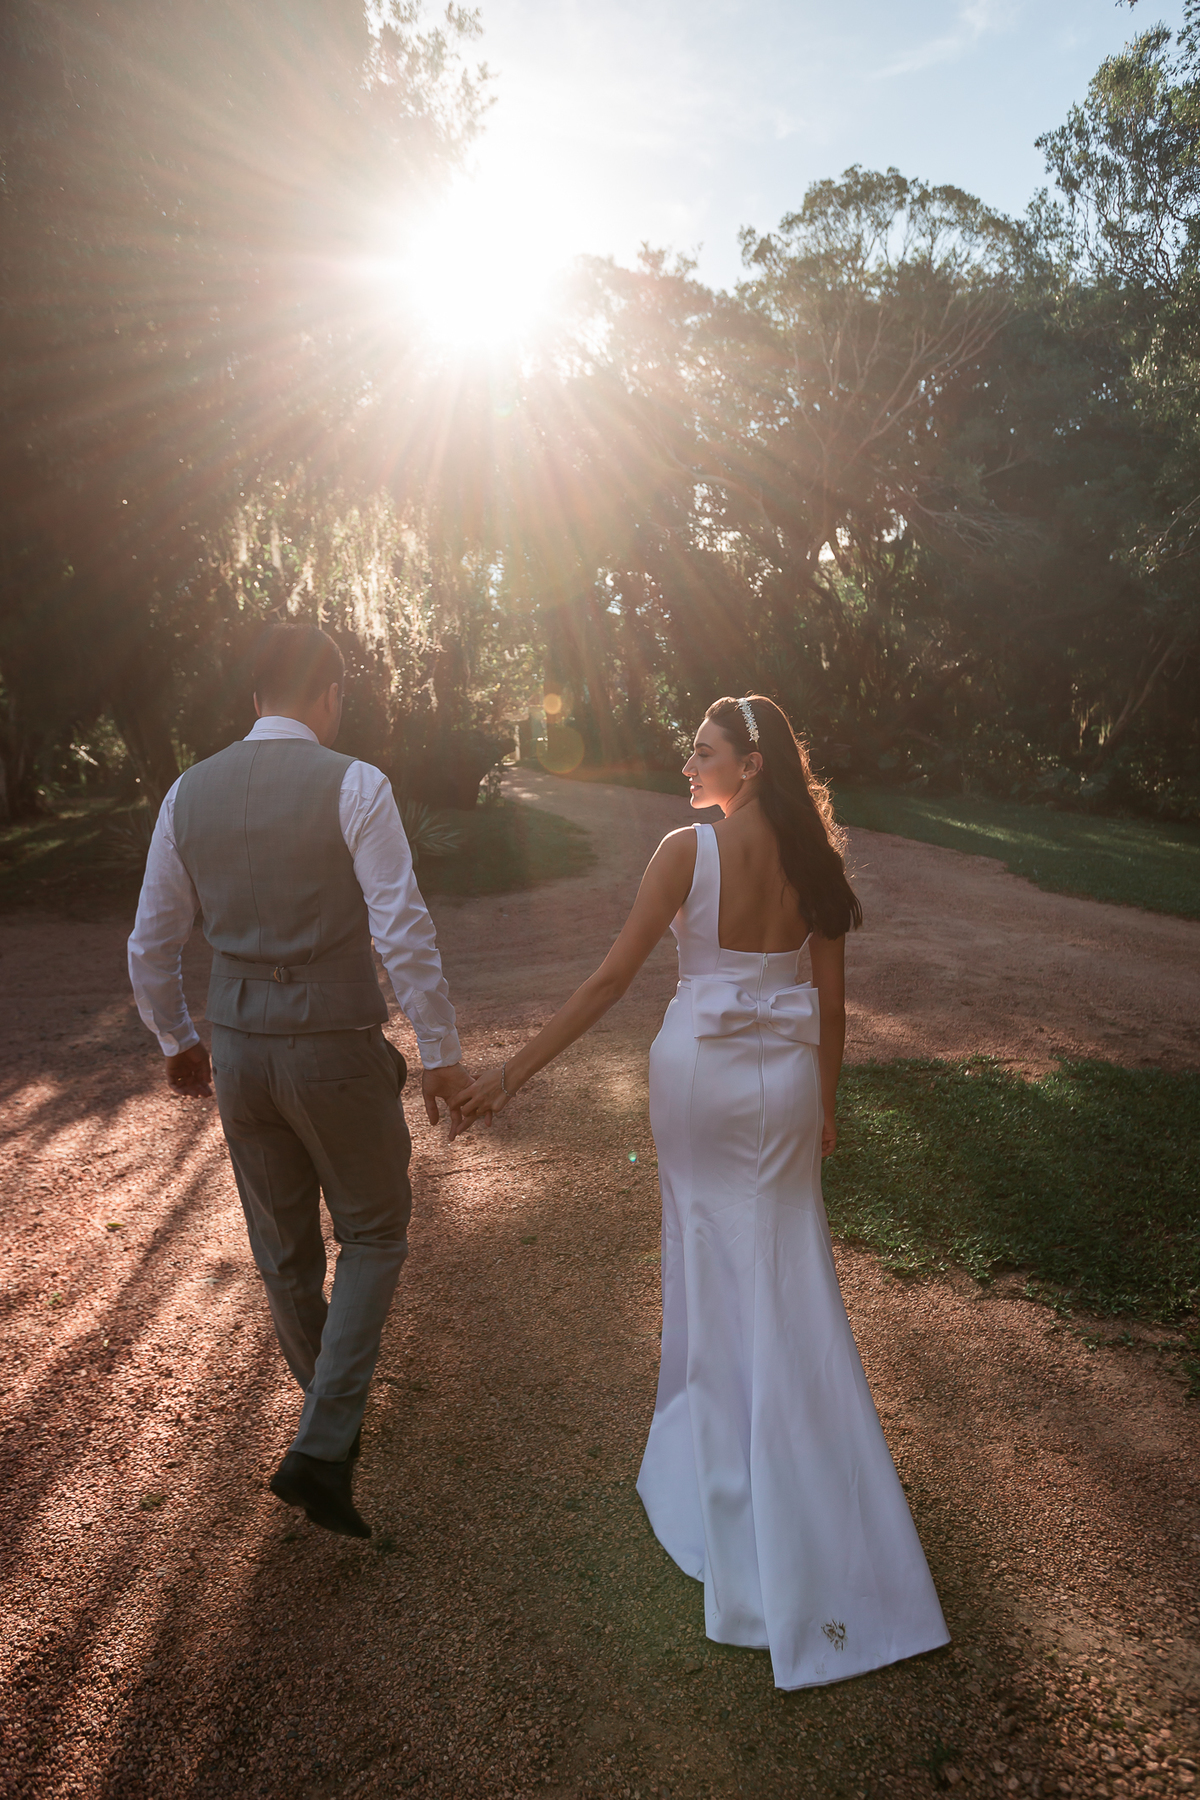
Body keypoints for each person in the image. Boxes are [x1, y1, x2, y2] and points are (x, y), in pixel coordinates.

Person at [459, 695, 949, 1688]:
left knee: (709, 1276)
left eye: (704, 750)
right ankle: (814, 1505)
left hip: (699, 1089)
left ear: (753, 763)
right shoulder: (818, 867)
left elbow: (607, 984)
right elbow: (834, 1006)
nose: (688, 765)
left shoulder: (687, 852)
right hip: (782, 1094)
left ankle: (725, 1487)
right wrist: (824, 1105)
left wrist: (508, 1076)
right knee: (789, 1283)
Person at [128, 624, 472, 1541]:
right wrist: (440, 1050)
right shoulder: (355, 784)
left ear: (253, 698)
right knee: (374, 1231)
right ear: (332, 696)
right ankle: (324, 1441)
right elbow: (403, 928)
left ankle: (328, 1416)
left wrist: (178, 1037)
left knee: (282, 1249)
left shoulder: (185, 794)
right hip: (332, 1046)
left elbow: (150, 943)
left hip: (236, 1051)